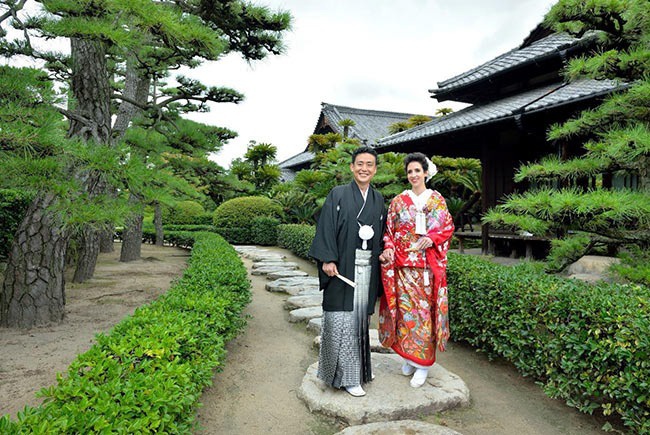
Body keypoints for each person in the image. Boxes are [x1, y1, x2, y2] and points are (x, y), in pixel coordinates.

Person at [308, 146, 386, 397]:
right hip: (341, 268)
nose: (364, 168)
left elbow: (383, 235)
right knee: (338, 320)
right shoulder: (338, 194)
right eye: (360, 164)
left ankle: (360, 371)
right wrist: (327, 258)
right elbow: (327, 226)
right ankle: (344, 377)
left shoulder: (378, 199)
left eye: (369, 164)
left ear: (375, 170)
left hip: (367, 268)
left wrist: (386, 251)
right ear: (352, 167)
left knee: (359, 321)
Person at [378, 152, 454, 388]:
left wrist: (431, 238)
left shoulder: (436, 200)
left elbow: (447, 227)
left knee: (423, 315)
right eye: (410, 171)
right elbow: (389, 232)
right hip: (402, 268)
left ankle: (423, 364)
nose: (413, 175)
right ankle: (409, 358)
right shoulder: (399, 201)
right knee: (405, 314)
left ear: (425, 173)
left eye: (417, 171)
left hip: (426, 270)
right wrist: (389, 248)